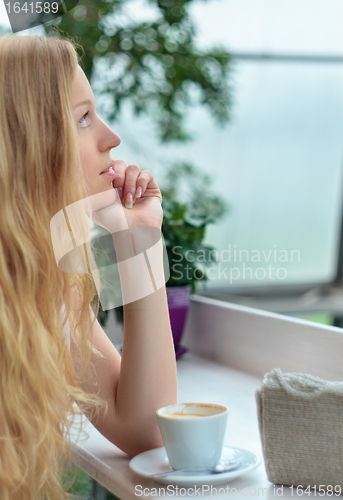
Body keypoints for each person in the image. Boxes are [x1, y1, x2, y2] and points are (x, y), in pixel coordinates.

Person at [0, 33, 177, 500]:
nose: (112, 138)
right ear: (24, 144)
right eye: (82, 118)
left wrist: (139, 244)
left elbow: (146, 429)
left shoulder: (49, 286)